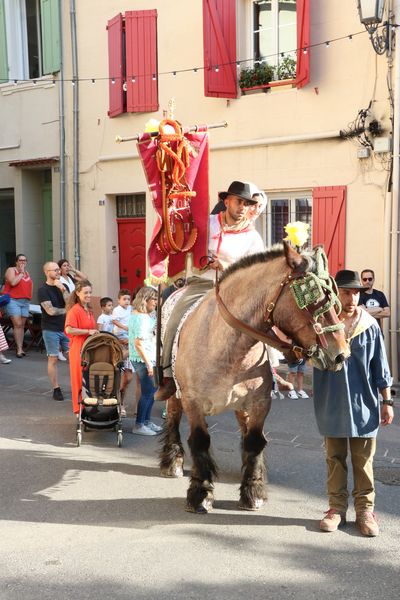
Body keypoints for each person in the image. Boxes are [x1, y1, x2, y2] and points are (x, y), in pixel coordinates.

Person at [156, 180, 265, 400]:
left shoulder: (253, 237)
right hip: (202, 284)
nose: (242, 207)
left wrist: (225, 267)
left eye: (246, 203)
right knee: (174, 317)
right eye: (238, 201)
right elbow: (187, 248)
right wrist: (199, 261)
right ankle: (167, 375)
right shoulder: (206, 224)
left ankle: (266, 371)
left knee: (263, 321)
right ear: (227, 202)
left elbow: (255, 272)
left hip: (235, 290)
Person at [313, 270, 394, 537]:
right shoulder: (321, 324)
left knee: (363, 461)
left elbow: (380, 366)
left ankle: (365, 511)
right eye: (346, 291)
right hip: (332, 401)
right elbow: (304, 357)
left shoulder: (369, 326)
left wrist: (387, 400)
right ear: (335, 292)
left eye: (356, 292)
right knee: (334, 459)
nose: (351, 297)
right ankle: (336, 509)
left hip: (364, 403)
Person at [129, 286, 163, 436]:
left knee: (152, 391)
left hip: (149, 356)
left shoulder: (146, 315)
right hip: (143, 359)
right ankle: (139, 425)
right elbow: (138, 343)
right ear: (145, 299)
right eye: (154, 299)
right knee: (148, 392)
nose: (156, 302)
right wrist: (149, 364)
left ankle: (147, 421)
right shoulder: (141, 318)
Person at [65, 279, 99, 415]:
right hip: (78, 348)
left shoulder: (88, 309)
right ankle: (79, 410)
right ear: (78, 293)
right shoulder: (74, 310)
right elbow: (69, 330)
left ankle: (89, 408)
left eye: (90, 292)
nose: (89, 295)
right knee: (79, 380)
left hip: (89, 349)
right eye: (86, 292)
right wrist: (88, 332)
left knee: (89, 380)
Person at [38, 262, 70, 401]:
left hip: (66, 327)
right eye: (55, 270)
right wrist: (67, 311)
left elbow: (70, 304)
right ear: (47, 272)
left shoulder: (63, 286)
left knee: (73, 356)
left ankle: (80, 384)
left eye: (58, 269)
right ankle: (56, 388)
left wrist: (62, 289)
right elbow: (50, 311)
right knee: (53, 358)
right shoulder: (43, 290)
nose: (58, 272)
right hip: (50, 328)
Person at [2, 254, 33, 357]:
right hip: (13, 300)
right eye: (20, 260)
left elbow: (29, 285)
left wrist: (29, 296)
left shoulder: (27, 272)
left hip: (25, 301)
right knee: (18, 324)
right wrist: (20, 273)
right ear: (16, 261)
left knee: (22, 326)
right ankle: (19, 349)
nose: (23, 262)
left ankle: (21, 348)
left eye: (25, 260)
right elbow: (13, 283)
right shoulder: (11, 270)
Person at [112, 289, 133, 417]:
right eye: (124, 299)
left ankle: (121, 397)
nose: (126, 301)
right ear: (119, 300)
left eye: (128, 299)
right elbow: (114, 321)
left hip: (129, 338)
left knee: (128, 377)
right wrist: (125, 328)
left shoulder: (130, 309)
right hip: (119, 336)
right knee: (117, 373)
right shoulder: (116, 310)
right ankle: (119, 404)